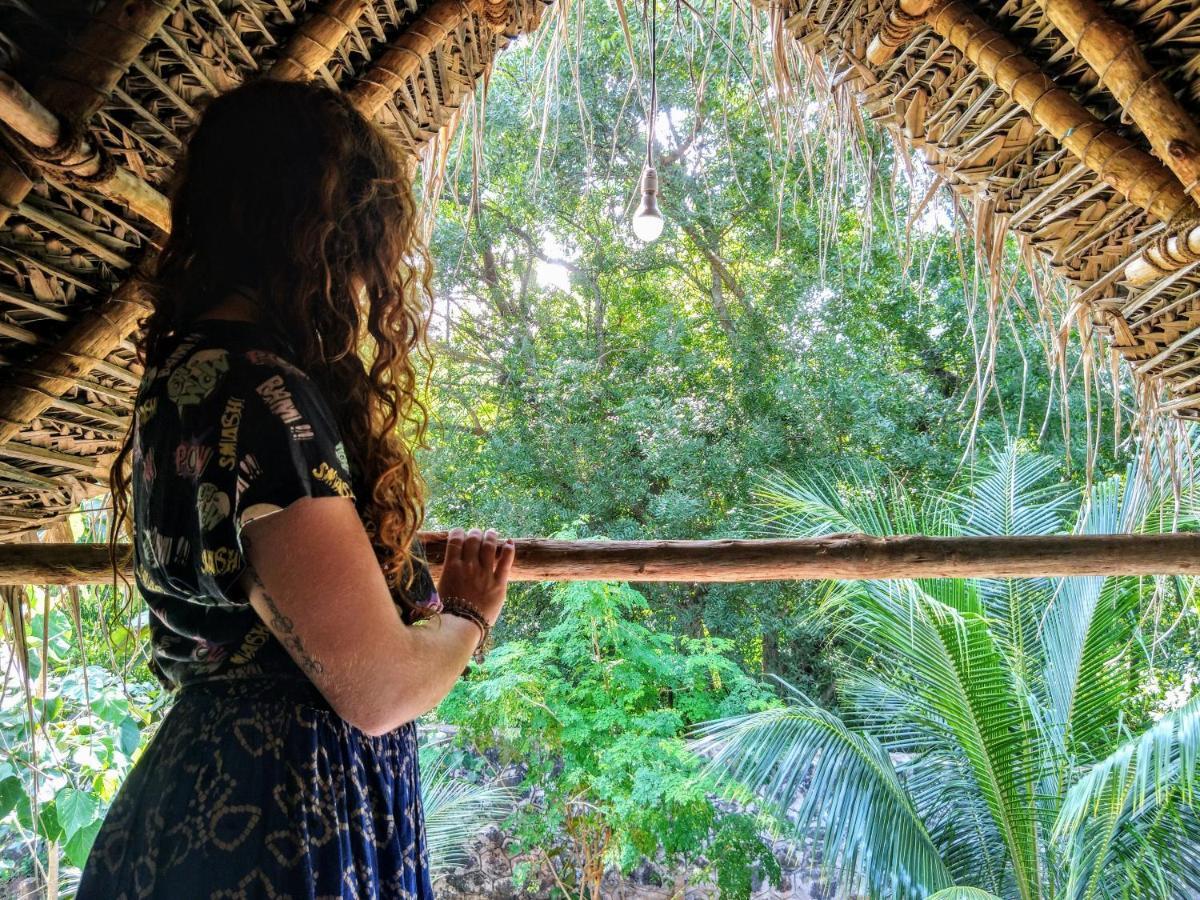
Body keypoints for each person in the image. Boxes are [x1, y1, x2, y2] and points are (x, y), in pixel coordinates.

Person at [76, 77, 514, 898]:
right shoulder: (264, 399)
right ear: (325, 229)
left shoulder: (188, 374)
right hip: (281, 825)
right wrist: (466, 613)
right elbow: (378, 693)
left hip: (204, 799)